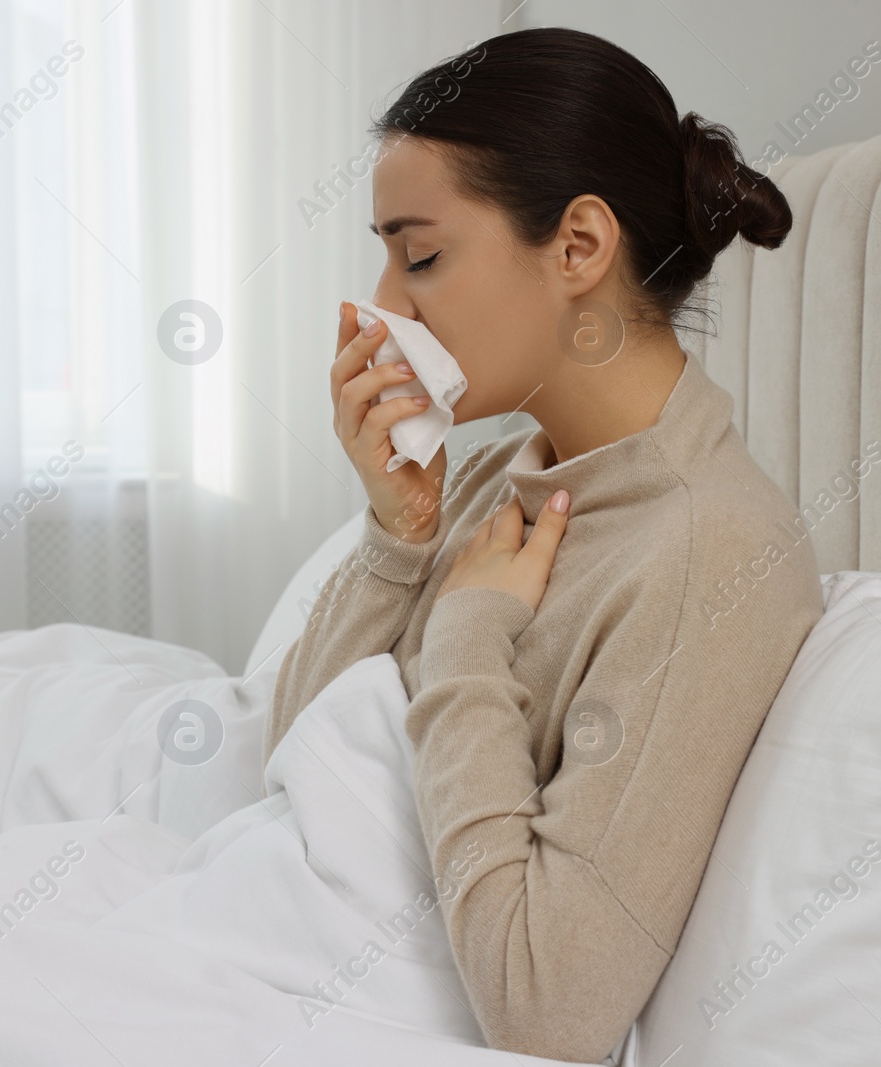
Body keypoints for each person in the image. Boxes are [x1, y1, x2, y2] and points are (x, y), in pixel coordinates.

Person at [263, 26, 825, 1064]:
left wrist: (470, 638)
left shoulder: (707, 553)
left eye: (419, 253)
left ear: (577, 246)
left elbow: (550, 1010)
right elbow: (290, 766)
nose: (384, 306)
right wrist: (397, 534)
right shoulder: (498, 473)